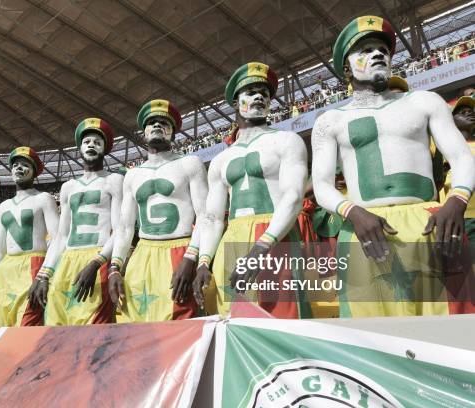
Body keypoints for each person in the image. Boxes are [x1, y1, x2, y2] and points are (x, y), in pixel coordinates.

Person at [311, 16, 475, 317]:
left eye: (382, 49)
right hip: (363, 229)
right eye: (365, 50)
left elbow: (462, 156)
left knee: (449, 330)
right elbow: (320, 185)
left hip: (427, 224)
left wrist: (456, 200)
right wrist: (354, 212)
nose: (377, 54)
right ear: (346, 68)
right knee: (373, 337)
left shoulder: (426, 101)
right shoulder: (329, 121)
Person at [193, 62, 309, 318]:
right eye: (251, 91)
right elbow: (211, 218)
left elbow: (293, 197)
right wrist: (203, 261)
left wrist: (261, 247)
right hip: (232, 237)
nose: (259, 96)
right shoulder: (221, 160)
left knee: (282, 320)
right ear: (236, 103)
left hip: (274, 236)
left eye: (265, 93)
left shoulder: (287, 140)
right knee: (233, 320)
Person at [108, 100, 208, 322]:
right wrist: (115, 267)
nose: (157, 126)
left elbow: (205, 216)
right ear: (143, 132)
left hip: (179, 249)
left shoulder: (190, 163)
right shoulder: (132, 175)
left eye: (164, 123)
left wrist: (191, 258)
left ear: (172, 131)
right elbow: (125, 227)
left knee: (180, 324)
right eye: (151, 122)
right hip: (142, 253)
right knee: (134, 322)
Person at [30, 118, 122, 325]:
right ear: (79, 148)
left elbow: (120, 230)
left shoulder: (114, 180)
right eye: (87, 141)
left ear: (105, 149)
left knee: (93, 330)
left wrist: (97, 263)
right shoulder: (68, 187)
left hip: (97, 256)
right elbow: (61, 235)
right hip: (67, 260)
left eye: (97, 142)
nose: (91, 145)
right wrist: (43, 274)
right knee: (57, 324)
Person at [0, 147, 59, 327]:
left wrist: (44, 275)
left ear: (35, 171)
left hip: (34, 266)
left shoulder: (44, 199)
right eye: (15, 165)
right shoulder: (3, 207)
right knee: (2, 328)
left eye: (25, 165)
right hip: (6, 271)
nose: (19, 168)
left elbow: (57, 238)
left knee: (28, 328)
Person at [440, 96, 475, 242]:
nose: (469, 113)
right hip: (463, 218)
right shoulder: (443, 150)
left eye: (470, 110)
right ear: (450, 120)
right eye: (461, 112)